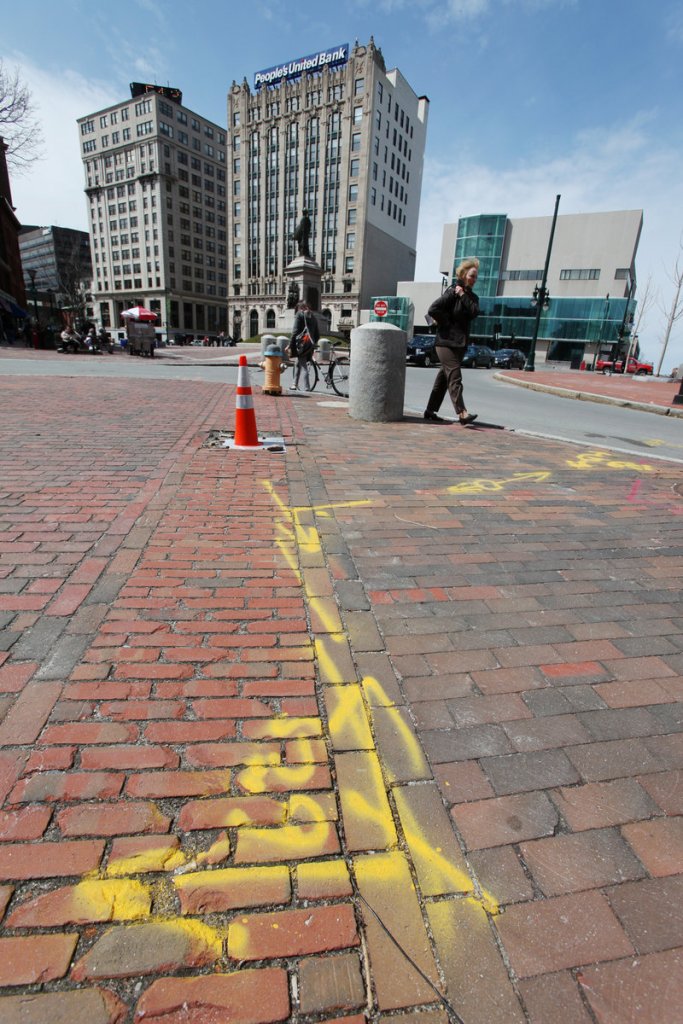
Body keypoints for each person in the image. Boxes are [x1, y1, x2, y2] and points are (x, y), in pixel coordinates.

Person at [423, 257, 480, 425]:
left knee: (443, 379)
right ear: (463, 274)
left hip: (460, 343)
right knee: (455, 376)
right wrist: (446, 322)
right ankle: (462, 413)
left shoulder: (470, 297)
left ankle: (430, 411)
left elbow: (474, 312)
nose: (474, 279)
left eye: (476, 276)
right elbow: (433, 309)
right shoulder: (451, 292)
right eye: (471, 275)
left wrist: (462, 295)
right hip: (445, 342)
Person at [289, 300, 319, 391]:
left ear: (300, 308)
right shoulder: (313, 317)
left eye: (298, 308)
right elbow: (317, 334)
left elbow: (294, 332)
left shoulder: (299, 315)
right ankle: (294, 384)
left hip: (302, 343)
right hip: (310, 343)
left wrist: (291, 345)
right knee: (298, 363)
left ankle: (307, 387)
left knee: (304, 366)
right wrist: (312, 343)